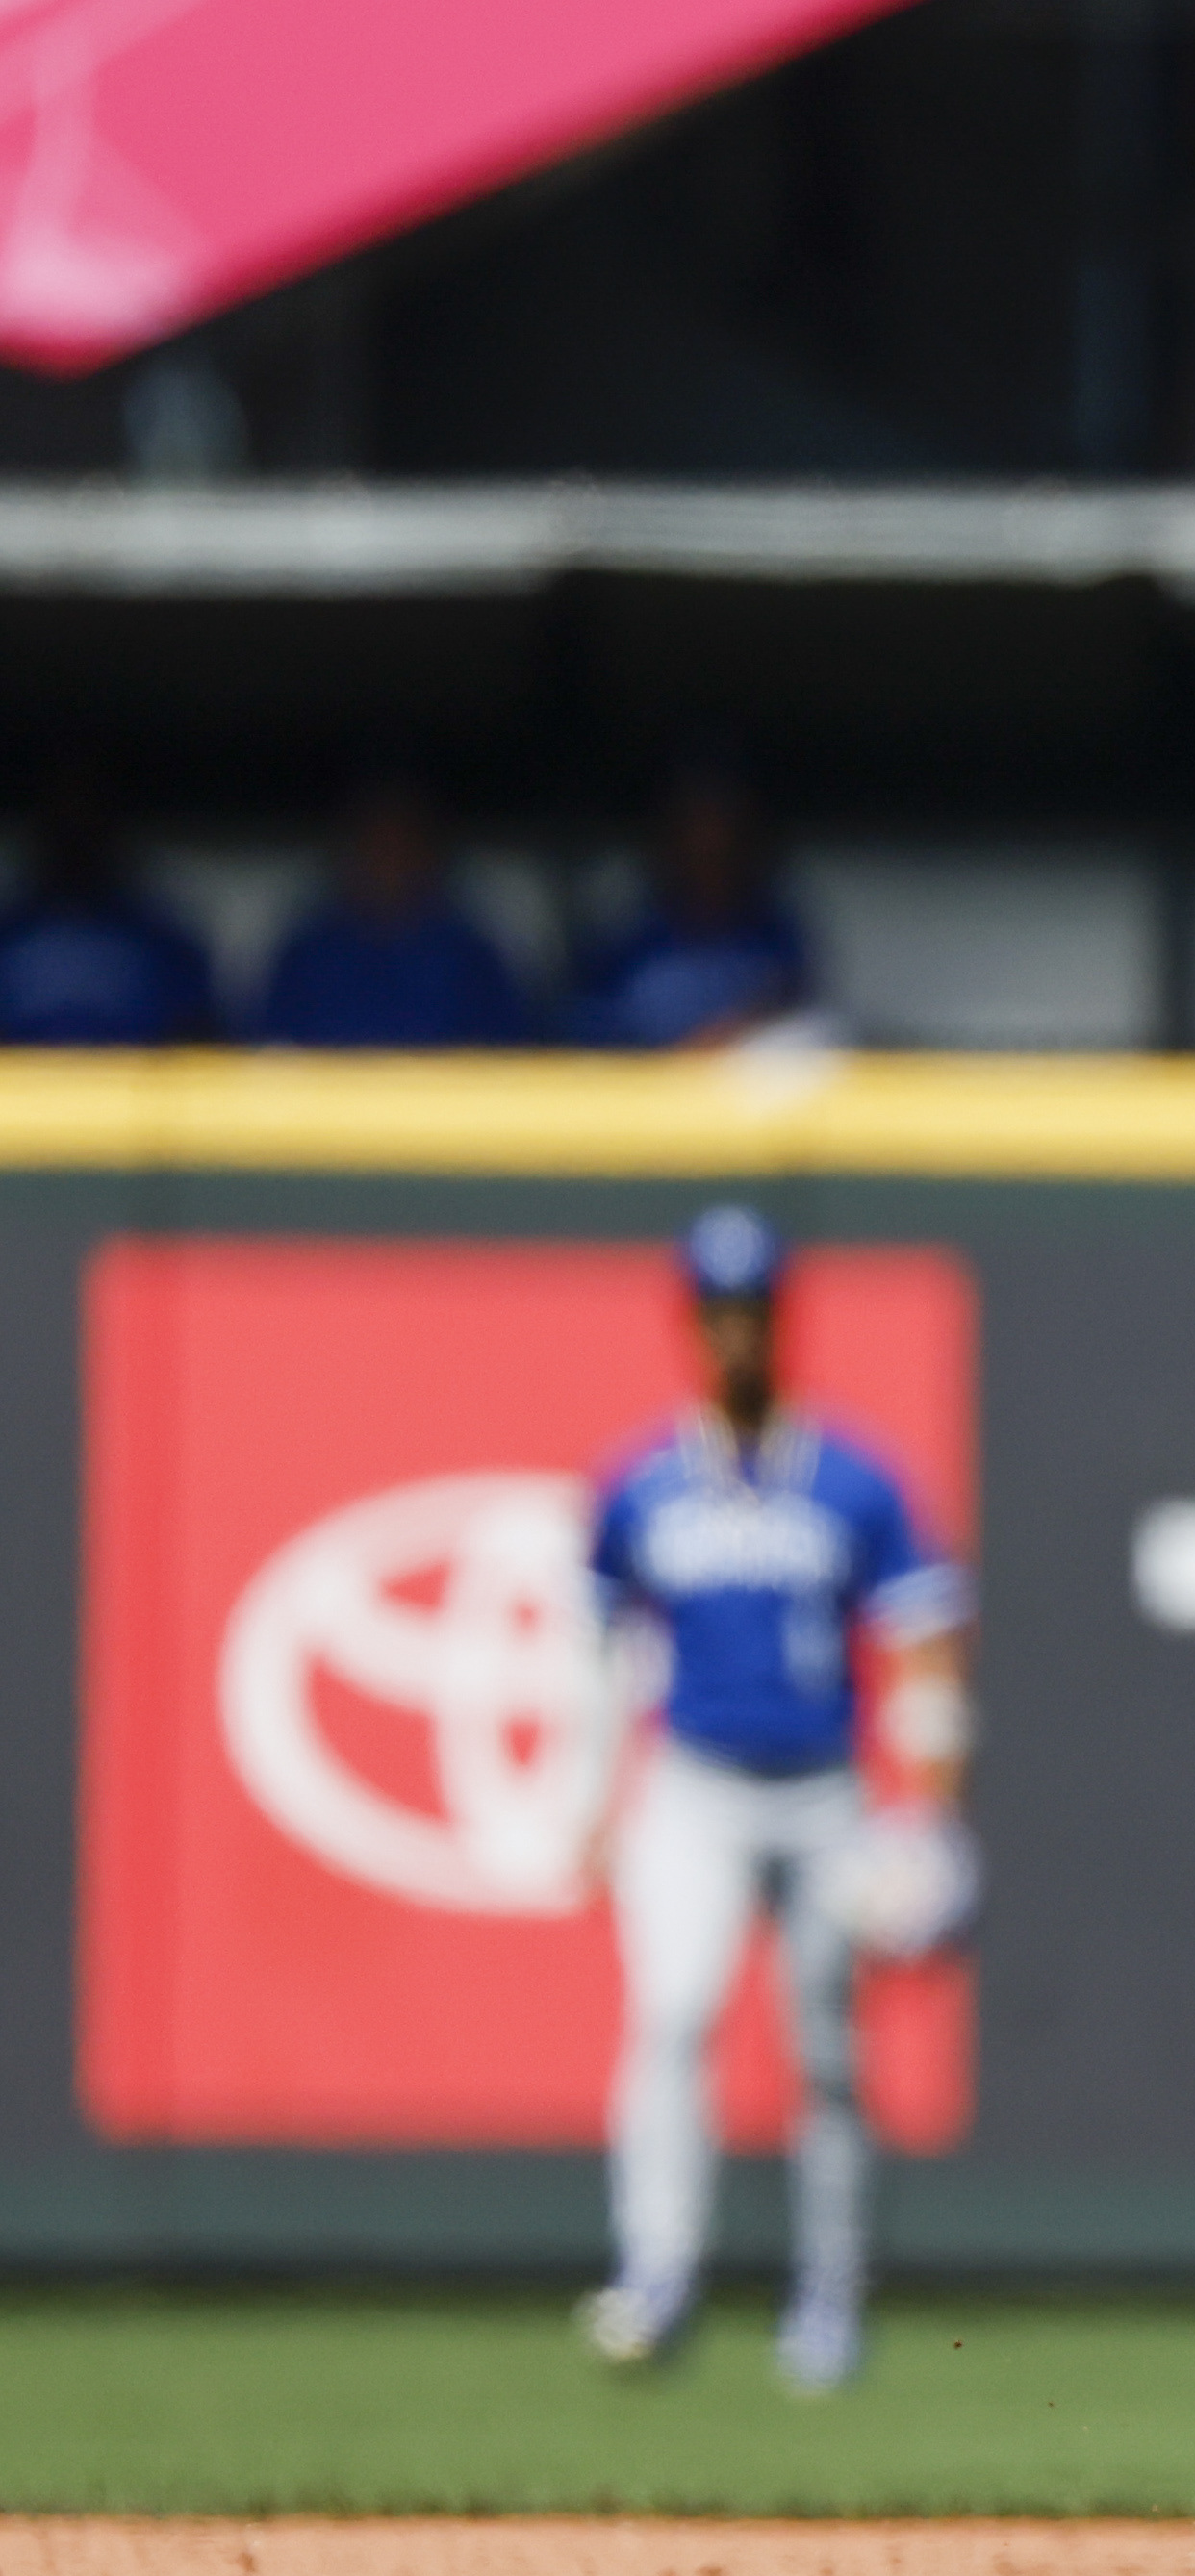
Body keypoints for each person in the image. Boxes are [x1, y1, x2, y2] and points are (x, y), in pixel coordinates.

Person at [575, 1206, 971, 2392]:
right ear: (692, 1324)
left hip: (823, 1789)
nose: (736, 1334)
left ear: (778, 1321)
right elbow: (605, 1652)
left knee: (827, 2052)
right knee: (673, 2016)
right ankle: (656, 2272)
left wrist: (926, 1813)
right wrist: (594, 1795)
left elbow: (925, 1647)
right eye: (717, 1312)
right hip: (691, 1783)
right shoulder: (644, 1482)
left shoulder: (849, 1479)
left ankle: (831, 2296)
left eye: (752, 1311)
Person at [255, 775, 534, 1048]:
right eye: (376, 842)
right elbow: (271, 1048)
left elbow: (508, 1054)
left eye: (404, 842)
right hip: (330, 1092)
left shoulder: (469, 953)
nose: (390, 858)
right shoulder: (309, 952)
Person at [563, 767, 819, 1049]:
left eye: (727, 838)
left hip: (743, 1086)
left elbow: (796, 1012)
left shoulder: (774, 933)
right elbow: (582, 1039)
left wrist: (724, 1038)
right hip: (642, 1086)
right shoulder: (625, 940)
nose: (711, 843)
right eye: (696, 831)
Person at [0, 758, 216, 1046]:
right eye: (62, 809)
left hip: (136, 1088)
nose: (75, 822)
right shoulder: (11, 931)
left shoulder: (160, 939)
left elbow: (200, 1042)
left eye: (89, 808)